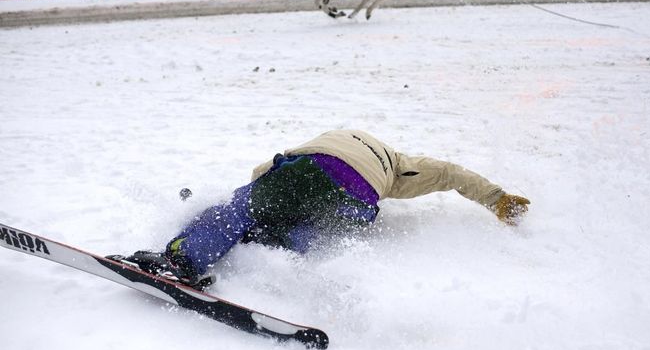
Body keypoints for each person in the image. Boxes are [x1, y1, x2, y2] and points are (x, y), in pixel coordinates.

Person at [111, 130, 530, 289]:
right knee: (319, 229)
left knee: (238, 212)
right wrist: (498, 199)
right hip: (358, 198)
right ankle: (279, 242)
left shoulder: (336, 136)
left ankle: (182, 259)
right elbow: (454, 174)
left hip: (310, 167)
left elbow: (268, 168)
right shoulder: (403, 167)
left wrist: (251, 198)